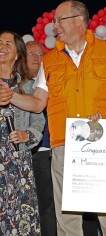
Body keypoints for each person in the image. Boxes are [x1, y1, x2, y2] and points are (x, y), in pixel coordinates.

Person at [0, 0, 106, 236]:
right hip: (64, 146)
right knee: (67, 217)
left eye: (58, 20)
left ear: (78, 21)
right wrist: (11, 96)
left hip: (104, 145)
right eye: (54, 21)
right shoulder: (49, 60)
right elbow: (38, 102)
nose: (54, 26)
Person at [0, 31, 45, 235]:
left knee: (18, 214)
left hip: (17, 161)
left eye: (8, 43)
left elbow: (38, 120)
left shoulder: (28, 85)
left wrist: (29, 135)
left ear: (18, 53)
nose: (2, 46)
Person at [26, 41, 57, 236]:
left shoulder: (51, 82)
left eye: (40, 55)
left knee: (47, 204)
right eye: (32, 54)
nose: (38, 58)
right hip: (19, 153)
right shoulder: (14, 83)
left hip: (45, 152)